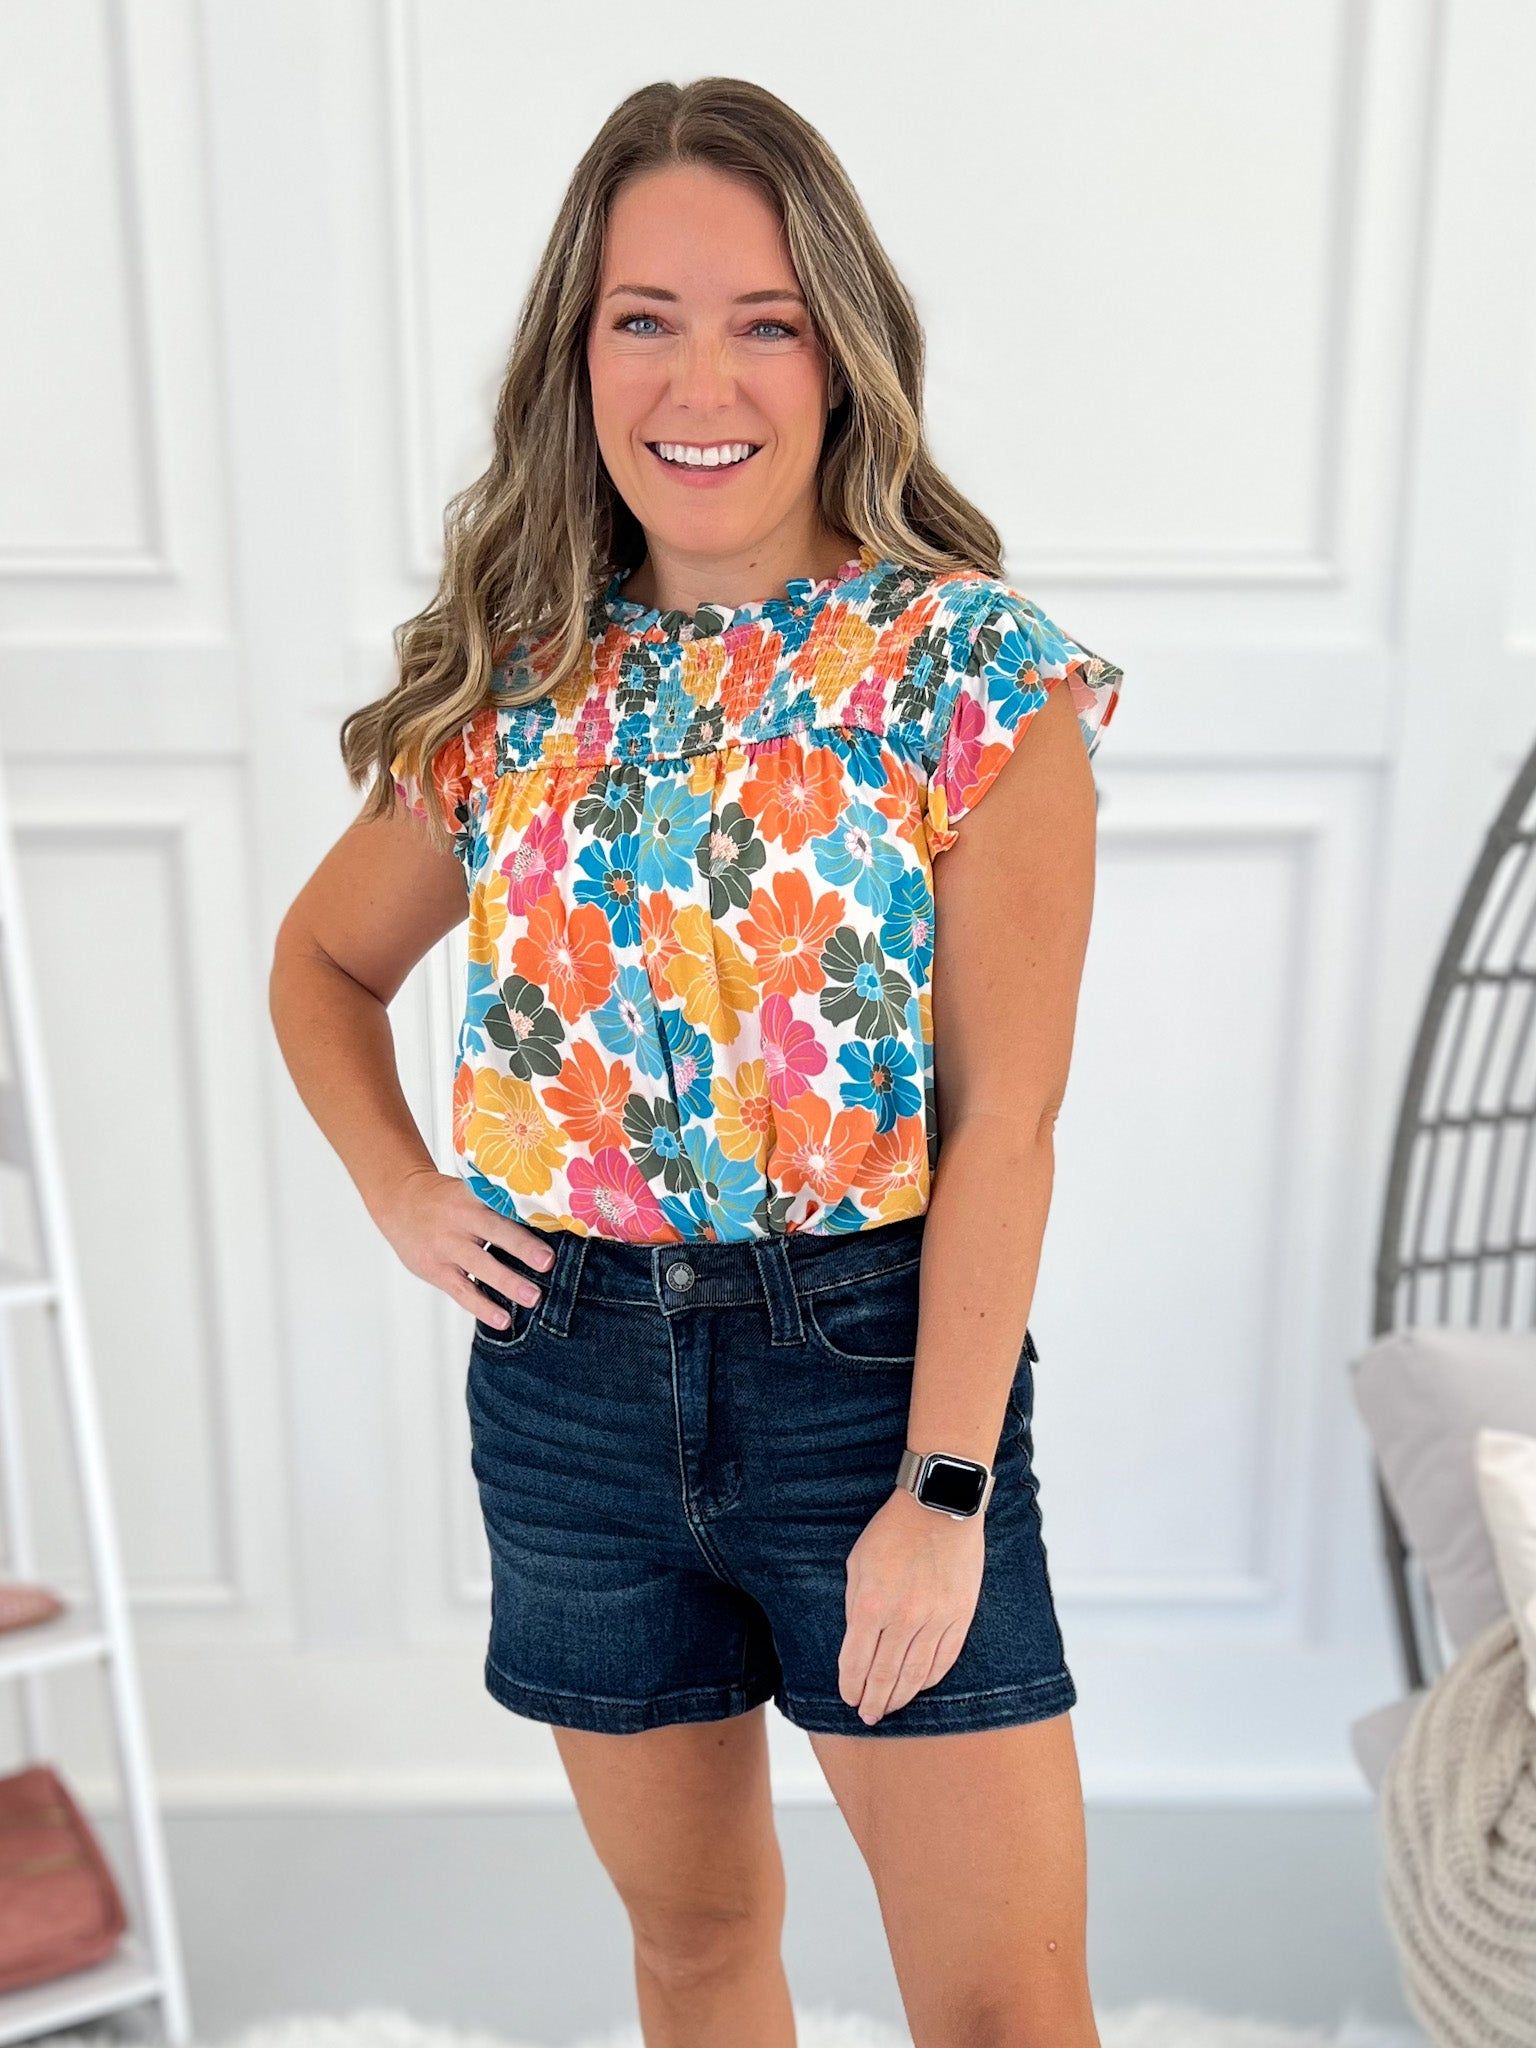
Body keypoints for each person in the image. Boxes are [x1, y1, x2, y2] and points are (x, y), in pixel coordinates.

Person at [270, 74, 1122, 2048]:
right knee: (694, 1948)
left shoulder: (969, 671)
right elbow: (321, 961)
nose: (699, 380)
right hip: (568, 1384)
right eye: (643, 318)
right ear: (577, 358)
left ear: (841, 352)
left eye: (764, 321)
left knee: (1004, 2012)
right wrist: (404, 1190)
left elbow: (1009, 1123)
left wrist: (941, 1484)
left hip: (872, 1377)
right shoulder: (515, 683)